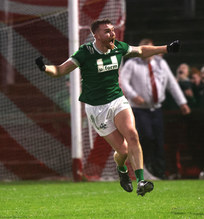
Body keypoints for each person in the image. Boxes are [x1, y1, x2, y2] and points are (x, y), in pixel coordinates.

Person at [35, 18, 180, 196]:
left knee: (133, 135)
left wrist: (166, 48)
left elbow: (141, 50)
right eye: (107, 31)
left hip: (117, 100)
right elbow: (59, 71)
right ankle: (121, 169)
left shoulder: (118, 46)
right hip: (96, 108)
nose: (112, 34)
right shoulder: (85, 52)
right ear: (95, 35)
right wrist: (45, 68)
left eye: (112, 30)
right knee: (123, 151)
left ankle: (141, 181)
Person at [120, 38, 190, 179]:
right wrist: (134, 96)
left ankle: (160, 171)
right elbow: (123, 81)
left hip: (156, 108)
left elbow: (171, 83)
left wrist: (182, 102)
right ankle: (147, 166)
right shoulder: (132, 64)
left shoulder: (160, 63)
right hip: (139, 109)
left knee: (158, 139)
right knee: (146, 136)